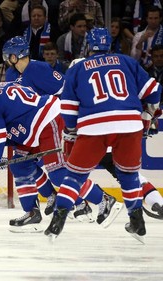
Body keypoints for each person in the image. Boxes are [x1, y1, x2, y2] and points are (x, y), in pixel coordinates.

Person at [0, 66, 120, 232]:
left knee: (58, 173)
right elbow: (5, 133)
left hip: (48, 121)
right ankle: (32, 213)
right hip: (36, 125)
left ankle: (104, 199)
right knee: (19, 165)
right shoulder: (1, 87)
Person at [44, 28, 162, 243]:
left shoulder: (78, 68)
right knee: (129, 175)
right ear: (110, 44)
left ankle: (58, 219)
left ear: (89, 45)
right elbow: (154, 91)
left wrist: (72, 131)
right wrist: (148, 111)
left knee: (75, 176)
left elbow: (69, 111)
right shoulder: (126, 61)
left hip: (93, 128)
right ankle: (137, 221)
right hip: (129, 125)